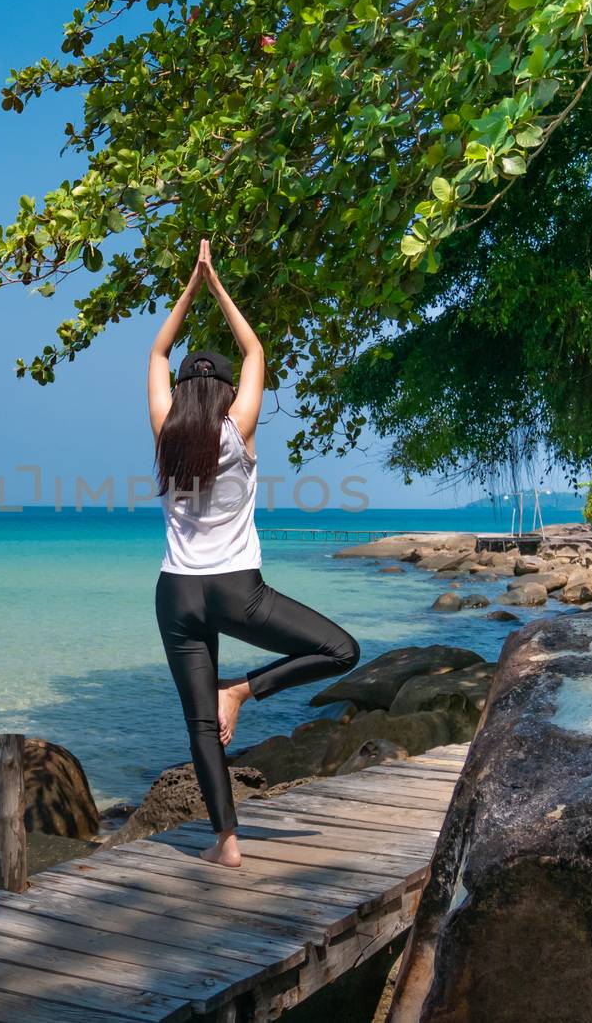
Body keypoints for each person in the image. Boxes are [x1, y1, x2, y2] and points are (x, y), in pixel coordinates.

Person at [148, 239, 361, 868]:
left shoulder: (165, 433)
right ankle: (242, 691)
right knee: (341, 651)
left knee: (197, 724)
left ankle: (228, 843)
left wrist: (188, 286)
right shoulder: (237, 431)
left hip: (177, 592)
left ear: (183, 391)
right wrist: (214, 285)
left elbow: (158, 350)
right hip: (237, 590)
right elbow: (254, 350)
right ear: (220, 395)